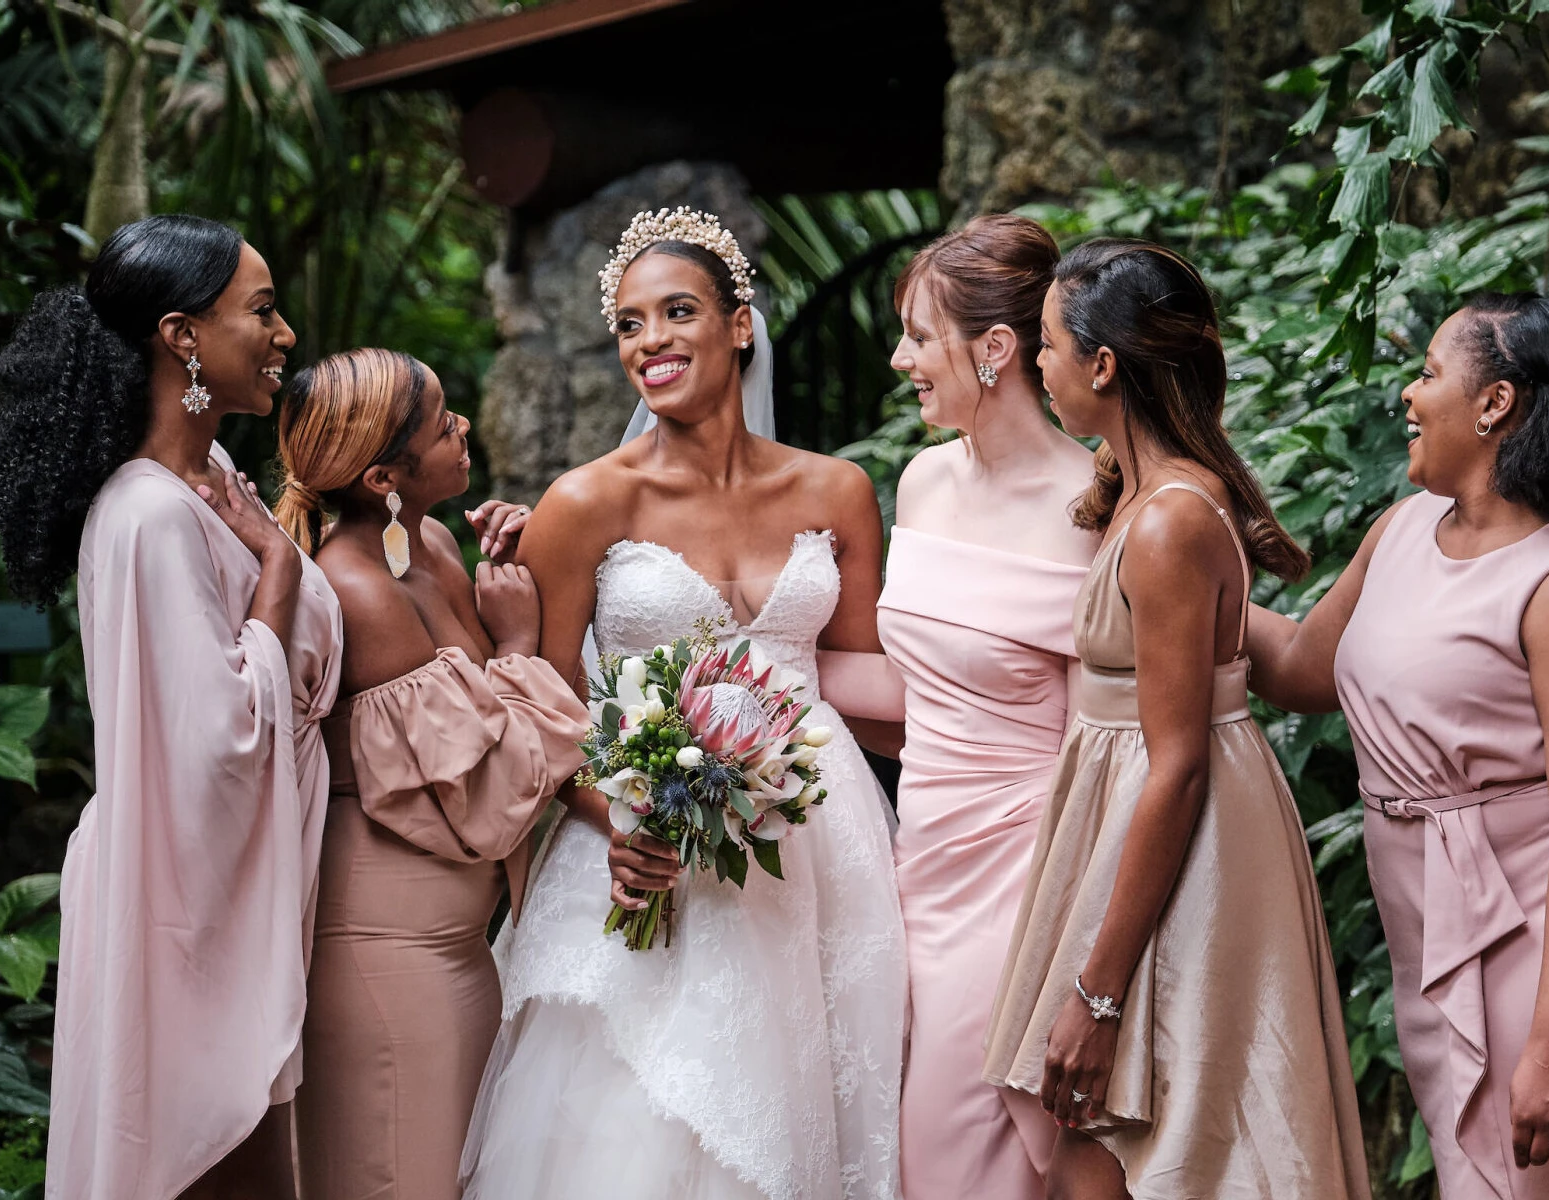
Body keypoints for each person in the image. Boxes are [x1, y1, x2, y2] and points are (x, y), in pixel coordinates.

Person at [458, 207, 906, 1199]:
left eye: (676, 312)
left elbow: (869, 675)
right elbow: (544, 703)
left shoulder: (838, 493)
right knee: (636, 1126)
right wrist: (613, 818)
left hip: (820, 848)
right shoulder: (584, 504)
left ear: (739, 325)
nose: (650, 341)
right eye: (628, 323)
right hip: (641, 845)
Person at [1244, 293, 1549, 1199]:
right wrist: (1170, 562)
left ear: (1494, 403)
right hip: (1431, 918)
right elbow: (1299, 668)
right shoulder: (1405, 528)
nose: (1406, 396)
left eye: (1426, 374)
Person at [984, 239, 1370, 1199]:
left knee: (1154, 1133)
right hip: (1136, 820)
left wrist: (1097, 991)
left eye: (1046, 346)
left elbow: (1178, 765)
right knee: (1109, 1136)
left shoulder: (1167, 524)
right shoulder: (1152, 498)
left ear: (1102, 364)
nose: (1037, 366)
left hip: (1176, 837)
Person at [0, 214, 343, 1199]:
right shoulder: (148, 515)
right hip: (181, 905)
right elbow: (219, 742)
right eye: (259, 311)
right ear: (183, 336)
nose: (284, 336)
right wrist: (274, 567)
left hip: (238, 895)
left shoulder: (214, 480)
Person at [271, 348, 588, 1200]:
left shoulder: (434, 542)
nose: (463, 426)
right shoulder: (355, 590)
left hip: (458, 945)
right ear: (383, 476)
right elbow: (491, 797)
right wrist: (518, 642)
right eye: (441, 421)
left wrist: (529, 572)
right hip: (388, 956)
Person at [878, 214, 1096, 1199]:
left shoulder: (1096, 506)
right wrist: (743, 670)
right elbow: (922, 687)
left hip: (1019, 876)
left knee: (955, 1142)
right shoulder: (920, 482)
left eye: (919, 337)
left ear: (996, 349)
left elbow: (1116, 741)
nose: (899, 360)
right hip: (912, 861)